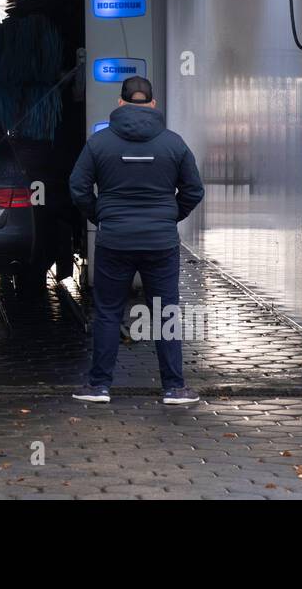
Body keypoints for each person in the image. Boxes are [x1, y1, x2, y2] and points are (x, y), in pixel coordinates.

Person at [68, 75, 205, 405]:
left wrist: (101, 216)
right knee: (165, 311)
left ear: (120, 103)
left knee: (108, 312)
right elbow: (193, 191)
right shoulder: (174, 143)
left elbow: (78, 188)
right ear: (153, 105)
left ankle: (99, 386)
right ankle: (174, 388)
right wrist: (170, 216)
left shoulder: (99, 144)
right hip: (161, 242)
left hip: (115, 241)